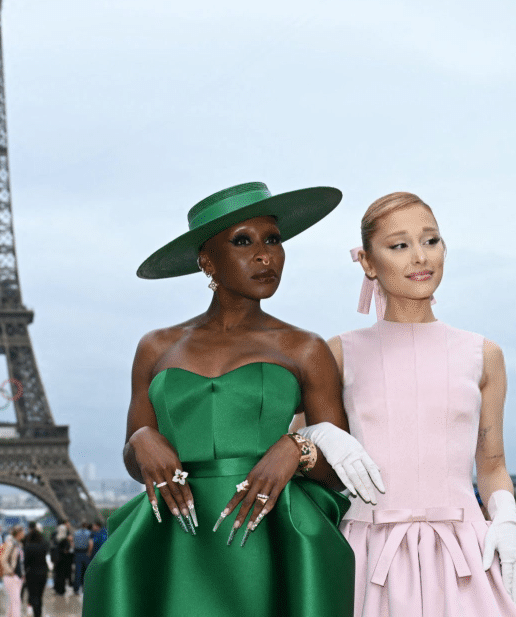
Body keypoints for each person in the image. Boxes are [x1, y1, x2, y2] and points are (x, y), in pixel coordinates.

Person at [83, 182, 380, 617]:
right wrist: (141, 438)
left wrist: (296, 449)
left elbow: (337, 474)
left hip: (269, 538)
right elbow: (137, 463)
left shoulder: (305, 348)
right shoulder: (155, 346)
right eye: (243, 241)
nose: (265, 255)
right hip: (173, 540)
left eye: (273, 240)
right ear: (207, 261)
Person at [331, 191, 516, 616]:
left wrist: (506, 521)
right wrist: (316, 433)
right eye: (399, 245)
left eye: (431, 240)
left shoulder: (483, 354)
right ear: (368, 262)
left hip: (467, 557)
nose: (420, 257)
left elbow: (492, 465)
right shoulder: (337, 354)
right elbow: (301, 458)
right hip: (365, 558)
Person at [23, 523, 49, 617]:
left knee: (33, 595)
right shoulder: (43, 546)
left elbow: (26, 563)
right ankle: (39, 613)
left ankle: (36, 614)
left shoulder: (28, 547)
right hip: (43, 572)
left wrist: (24, 572)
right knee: (40, 595)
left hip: (32, 573)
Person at [0, 525, 25, 617]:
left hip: (17, 576)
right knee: (16, 601)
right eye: (22, 532)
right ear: (18, 533)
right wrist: (10, 571)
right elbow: (3, 560)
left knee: (13, 602)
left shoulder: (19, 544)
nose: (24, 534)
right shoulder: (11, 544)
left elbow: (20, 561)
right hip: (11, 576)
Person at [51, 520, 73, 594]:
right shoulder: (65, 540)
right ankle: (61, 590)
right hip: (64, 559)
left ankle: (57, 589)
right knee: (62, 575)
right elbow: (67, 549)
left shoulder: (56, 538)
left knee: (57, 574)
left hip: (57, 558)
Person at [71, 522, 91, 595]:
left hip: (77, 553)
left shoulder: (76, 533)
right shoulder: (89, 533)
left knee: (78, 572)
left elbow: (73, 543)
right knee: (86, 571)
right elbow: (90, 543)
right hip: (86, 553)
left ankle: (76, 589)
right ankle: (85, 588)